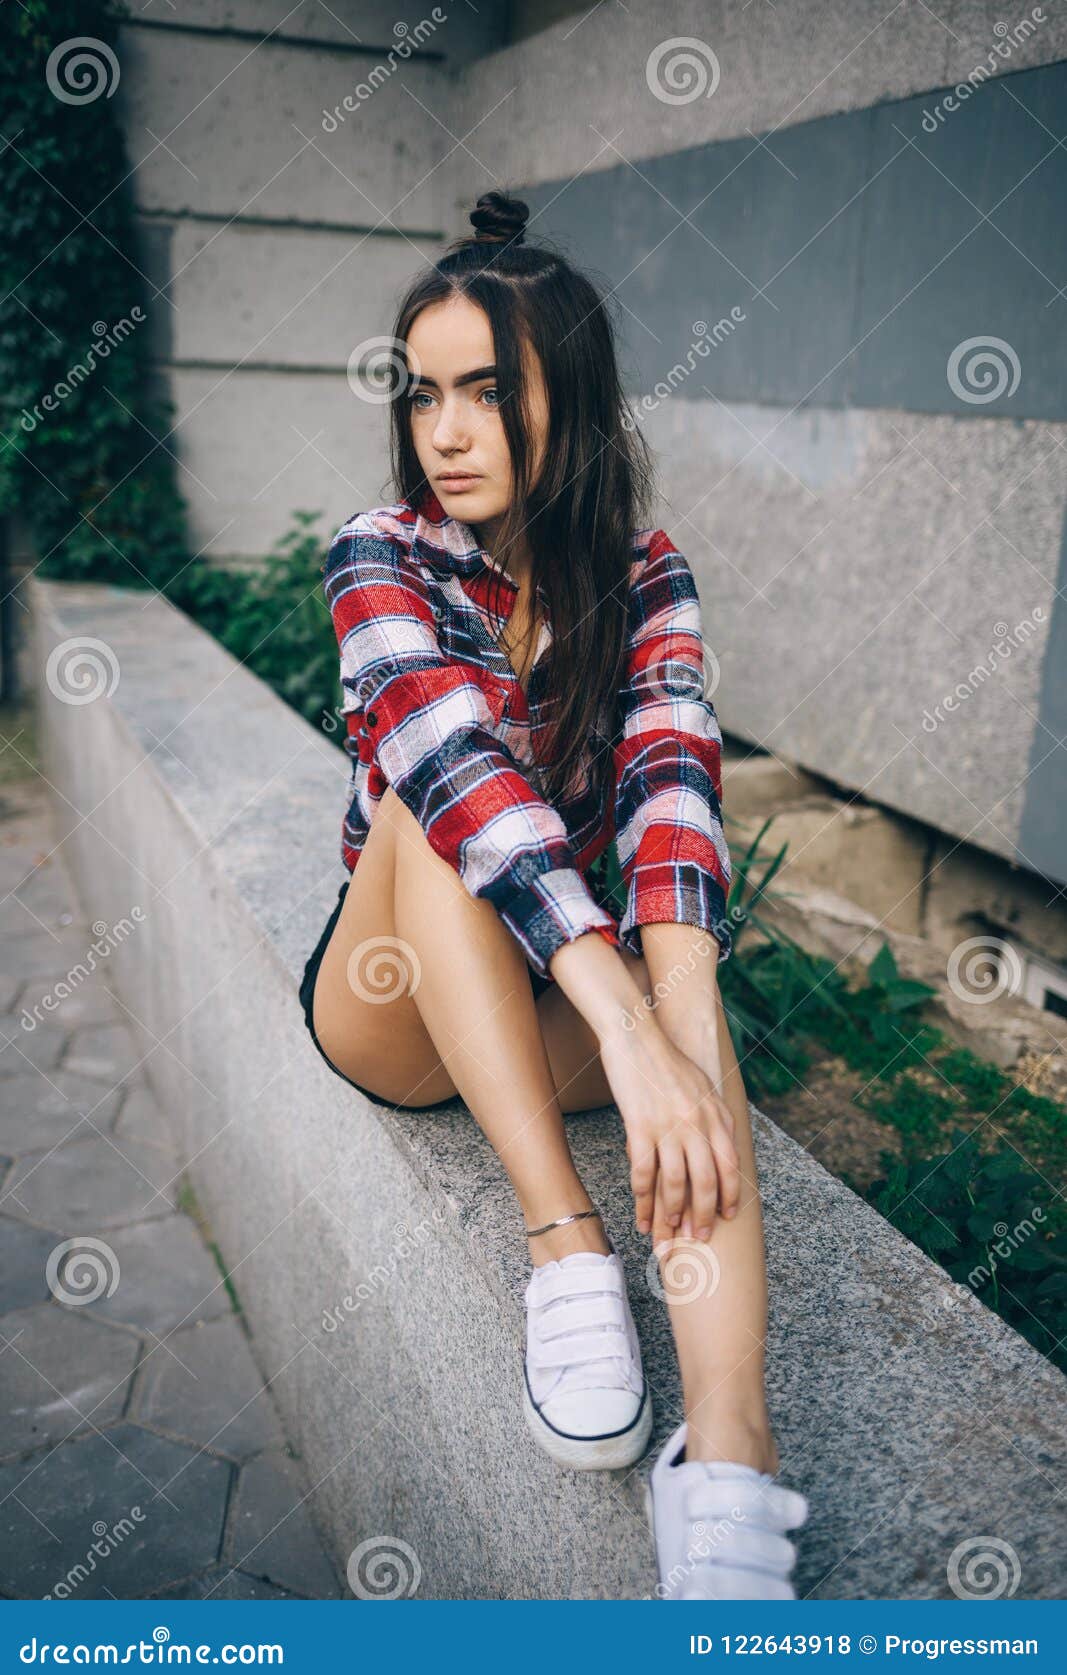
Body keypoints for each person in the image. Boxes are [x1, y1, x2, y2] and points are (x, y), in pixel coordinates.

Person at [299, 189, 808, 1600]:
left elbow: (670, 805)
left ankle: (730, 1461)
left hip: (556, 993)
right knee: (436, 799)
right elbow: (472, 783)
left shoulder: (648, 579)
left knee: (700, 1030)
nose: (443, 431)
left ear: (564, 404)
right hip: (401, 998)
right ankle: (562, 1239)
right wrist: (628, 1035)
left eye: (484, 393)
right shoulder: (380, 550)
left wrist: (676, 1045)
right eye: (421, 395)